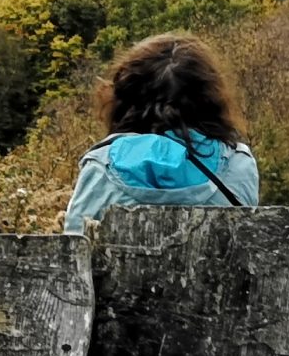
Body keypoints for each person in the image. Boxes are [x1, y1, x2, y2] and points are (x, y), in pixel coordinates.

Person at [61, 32, 259, 235]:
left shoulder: (99, 167)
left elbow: (74, 251)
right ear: (212, 101)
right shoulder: (239, 164)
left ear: (124, 100)